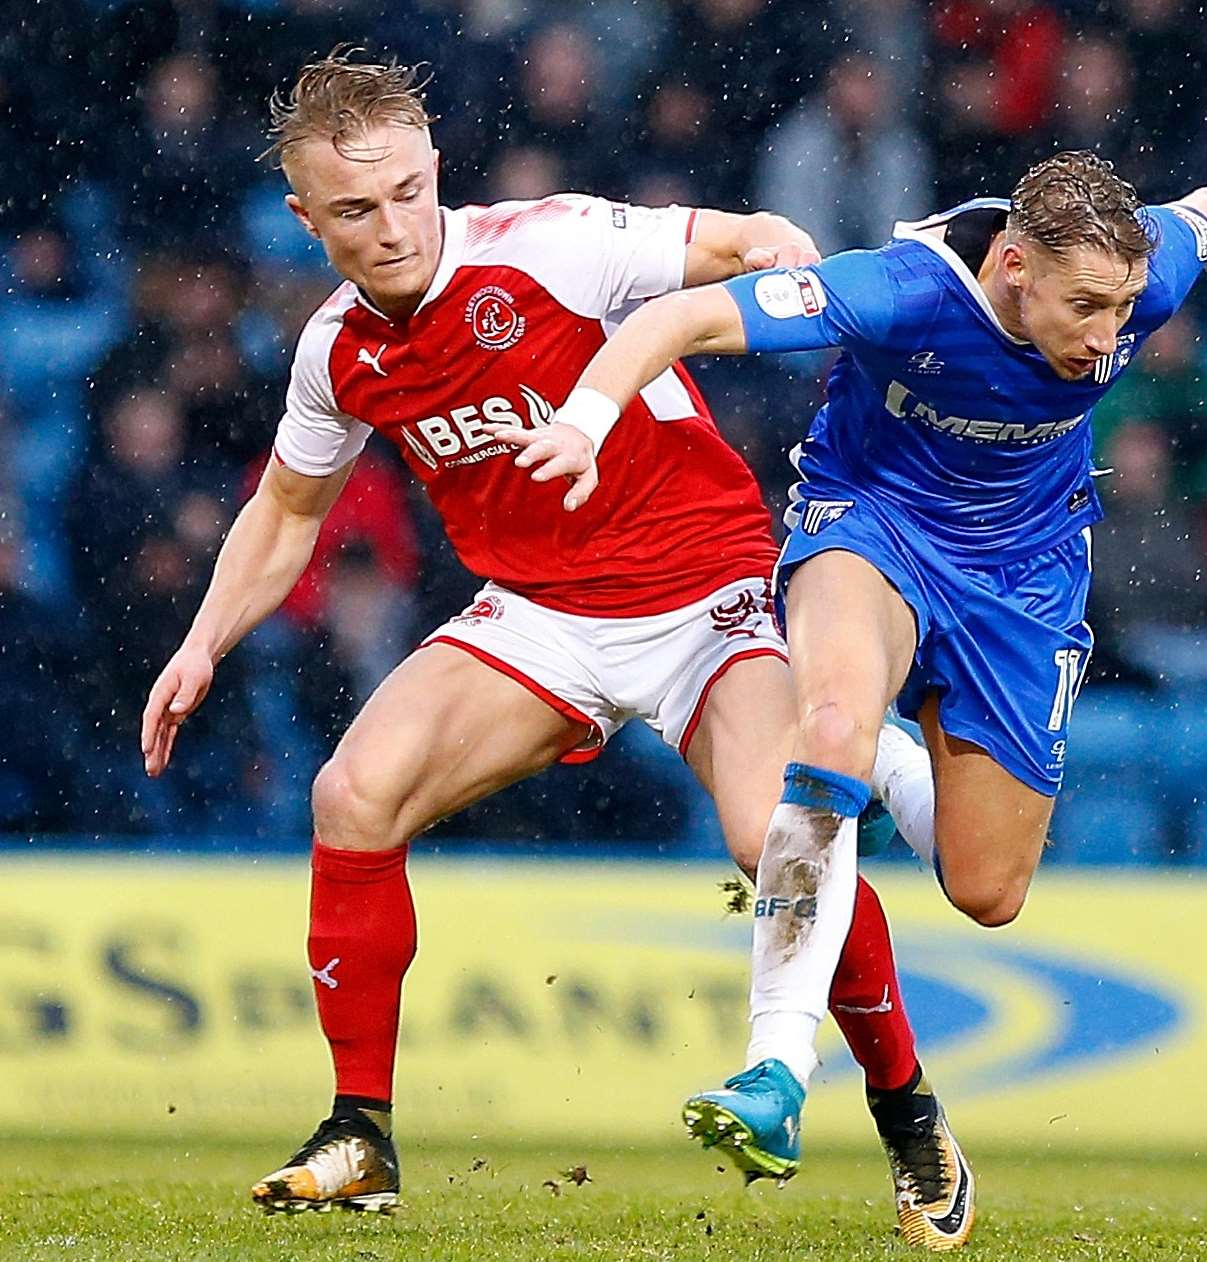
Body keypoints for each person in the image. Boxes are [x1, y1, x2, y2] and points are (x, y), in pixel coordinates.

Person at [136, 51, 955, 1241]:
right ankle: (359, 1131)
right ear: (305, 220)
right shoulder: (336, 352)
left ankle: (908, 1111)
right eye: (355, 210)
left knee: (767, 835)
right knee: (352, 794)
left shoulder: (549, 244)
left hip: (706, 596)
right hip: (539, 614)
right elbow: (287, 510)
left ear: (435, 174)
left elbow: (739, 240)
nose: (393, 226)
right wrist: (202, 640)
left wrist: (790, 257)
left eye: (409, 191)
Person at [490, 150, 1207, 1240]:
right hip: (871, 525)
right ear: (1012, 265)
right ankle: (776, 1067)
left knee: (986, 886)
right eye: (1084, 307)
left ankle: (880, 758)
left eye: (1119, 308)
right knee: (825, 726)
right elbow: (672, 323)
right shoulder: (901, 289)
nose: (1110, 337)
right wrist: (584, 420)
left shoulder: (1142, 269)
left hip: (1024, 573)